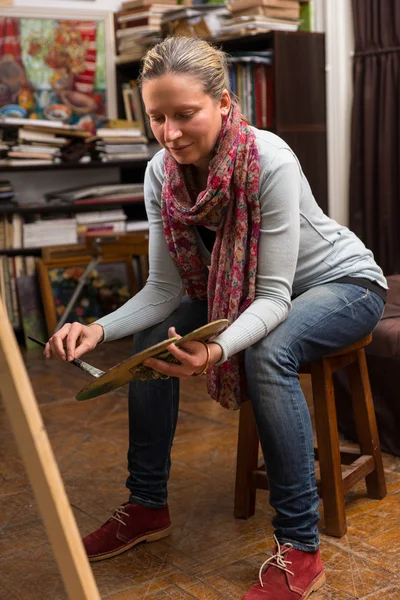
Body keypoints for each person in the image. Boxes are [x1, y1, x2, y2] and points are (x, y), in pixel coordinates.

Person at [45, 37, 387, 599]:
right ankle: (146, 506)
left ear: (224, 104)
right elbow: (163, 289)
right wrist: (98, 328)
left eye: (185, 115)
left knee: (268, 351)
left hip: (339, 284)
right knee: (157, 334)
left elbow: (275, 299)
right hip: (245, 293)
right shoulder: (162, 172)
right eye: (157, 118)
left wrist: (215, 349)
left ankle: (300, 548)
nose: (170, 133)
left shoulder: (269, 160)